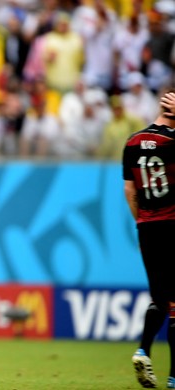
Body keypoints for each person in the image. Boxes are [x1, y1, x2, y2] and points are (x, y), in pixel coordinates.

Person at [124, 91, 175, 389]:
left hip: (147, 227)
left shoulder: (132, 142)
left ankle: (143, 349)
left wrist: (141, 221)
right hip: (172, 225)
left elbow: (130, 192)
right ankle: (172, 377)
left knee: (159, 296)